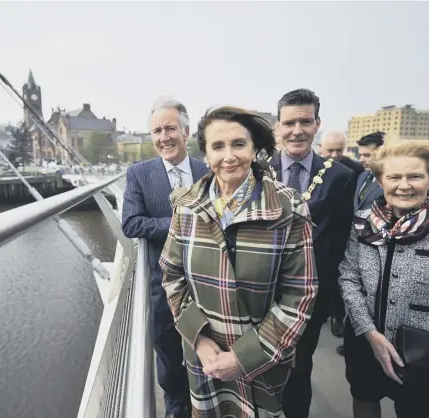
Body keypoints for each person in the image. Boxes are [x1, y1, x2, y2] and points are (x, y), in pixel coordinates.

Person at [159, 106, 318, 418]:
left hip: (263, 359)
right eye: (218, 146)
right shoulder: (187, 206)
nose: (228, 156)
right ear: (205, 154)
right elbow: (171, 275)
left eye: (238, 144)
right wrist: (200, 341)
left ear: (255, 149)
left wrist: (244, 357)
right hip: (205, 358)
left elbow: (300, 294)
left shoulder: (289, 208)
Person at [269, 88, 357, 418]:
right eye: (289, 122)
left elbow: (343, 242)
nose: (297, 130)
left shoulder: (341, 177)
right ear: (277, 127)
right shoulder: (255, 172)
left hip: (310, 296)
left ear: (317, 123)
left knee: (298, 367)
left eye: (305, 121)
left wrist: (335, 301)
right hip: (259, 292)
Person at [122, 97, 209, 418]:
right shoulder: (139, 174)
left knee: (210, 360)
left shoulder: (208, 170)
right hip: (164, 289)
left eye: (170, 128)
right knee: (171, 366)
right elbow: (131, 223)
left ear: (186, 132)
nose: (163, 137)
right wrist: (179, 223)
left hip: (211, 288)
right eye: (156, 131)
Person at [339, 140, 429, 418]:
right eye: (394, 177)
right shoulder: (363, 221)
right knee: (364, 397)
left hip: (421, 347)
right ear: (380, 180)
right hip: (364, 338)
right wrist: (369, 331)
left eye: (415, 176)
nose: (404, 185)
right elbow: (348, 276)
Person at [320, 130, 364, 353]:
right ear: (321, 148)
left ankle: (338, 316)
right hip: (318, 231)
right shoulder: (314, 167)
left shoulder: (356, 170)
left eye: (339, 150)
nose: (334, 155)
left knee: (339, 277)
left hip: (344, 231)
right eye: (330, 150)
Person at [354, 131, 385, 212]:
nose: (361, 160)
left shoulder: (389, 180)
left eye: (367, 155)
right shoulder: (362, 176)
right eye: (360, 155)